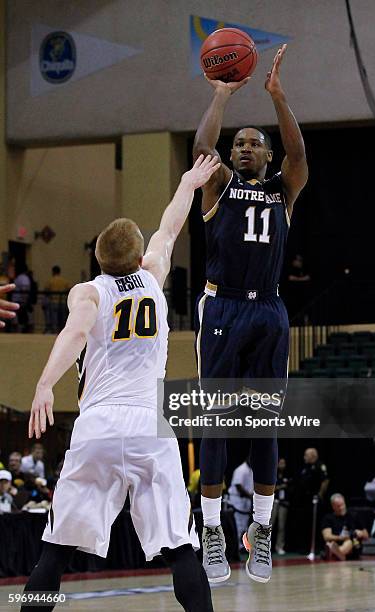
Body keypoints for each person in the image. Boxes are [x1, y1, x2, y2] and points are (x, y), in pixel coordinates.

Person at [21, 154, 219, 612]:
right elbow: (170, 228)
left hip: (98, 426)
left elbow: (74, 333)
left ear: (98, 258)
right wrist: (187, 183)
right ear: (138, 254)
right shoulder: (154, 275)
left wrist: (45, 383)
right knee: (179, 548)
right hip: (150, 423)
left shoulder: (88, 291)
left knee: (55, 551)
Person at [193, 44, 308, 583]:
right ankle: (212, 531)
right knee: (215, 422)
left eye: (252, 143)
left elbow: (300, 157)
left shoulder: (285, 191)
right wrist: (220, 96)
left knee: (265, 423)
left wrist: (278, 100)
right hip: (222, 307)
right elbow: (200, 147)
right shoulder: (217, 187)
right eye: (237, 142)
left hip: (268, 312)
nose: (242, 147)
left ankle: (259, 532)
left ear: (266, 156)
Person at [294, 448, 329, 554]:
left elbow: (325, 480)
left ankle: (318, 547)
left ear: (313, 455)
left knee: (316, 524)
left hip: (315, 499)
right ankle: (306, 548)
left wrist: (320, 495)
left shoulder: (320, 466)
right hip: (305, 500)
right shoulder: (305, 468)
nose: (305, 457)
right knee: (305, 524)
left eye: (306, 455)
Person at [322, 493, 369, 560]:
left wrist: (360, 533)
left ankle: (334, 552)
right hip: (337, 542)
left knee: (349, 541)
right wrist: (341, 538)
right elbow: (327, 537)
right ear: (333, 506)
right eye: (338, 506)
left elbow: (366, 535)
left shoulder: (354, 515)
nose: (341, 508)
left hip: (354, 546)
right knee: (331, 543)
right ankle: (339, 554)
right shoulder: (328, 518)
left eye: (342, 505)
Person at [228, 460, 254, 549]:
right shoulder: (241, 469)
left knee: (244, 525)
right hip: (237, 500)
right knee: (238, 525)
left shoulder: (251, 470)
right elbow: (238, 486)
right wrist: (250, 495)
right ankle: (237, 547)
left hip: (245, 502)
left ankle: (241, 546)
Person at [270, 457, 291, 555]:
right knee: (271, 524)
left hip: (283, 503)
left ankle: (279, 546)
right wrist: (279, 487)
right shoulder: (273, 474)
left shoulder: (288, 475)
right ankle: (266, 546)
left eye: (284, 463)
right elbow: (270, 488)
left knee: (281, 526)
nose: (282, 465)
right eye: (281, 463)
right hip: (274, 502)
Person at [44, 266, 71, 333]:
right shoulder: (64, 281)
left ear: (53, 272)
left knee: (54, 317)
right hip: (62, 301)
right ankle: (62, 330)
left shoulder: (50, 281)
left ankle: (54, 330)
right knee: (62, 317)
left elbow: (46, 290)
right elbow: (69, 288)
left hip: (53, 301)